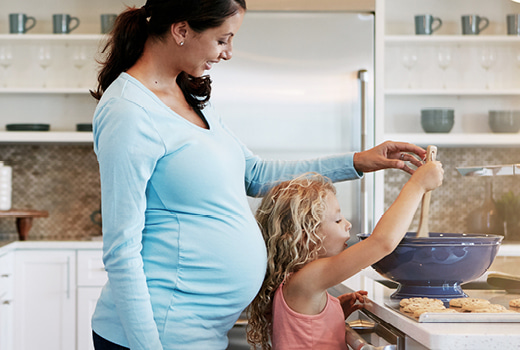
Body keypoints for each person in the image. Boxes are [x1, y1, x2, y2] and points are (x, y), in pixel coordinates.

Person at [90, 0, 430, 349]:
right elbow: (121, 250)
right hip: (160, 334)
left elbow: (256, 174)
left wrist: (358, 161)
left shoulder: (186, 95)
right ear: (181, 30)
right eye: (223, 39)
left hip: (200, 333)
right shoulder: (128, 112)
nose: (229, 52)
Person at [247, 166, 443, 350]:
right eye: (338, 220)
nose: (348, 224)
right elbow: (382, 243)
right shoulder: (307, 279)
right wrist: (417, 185)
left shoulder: (298, 283)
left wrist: (333, 311)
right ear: (306, 236)